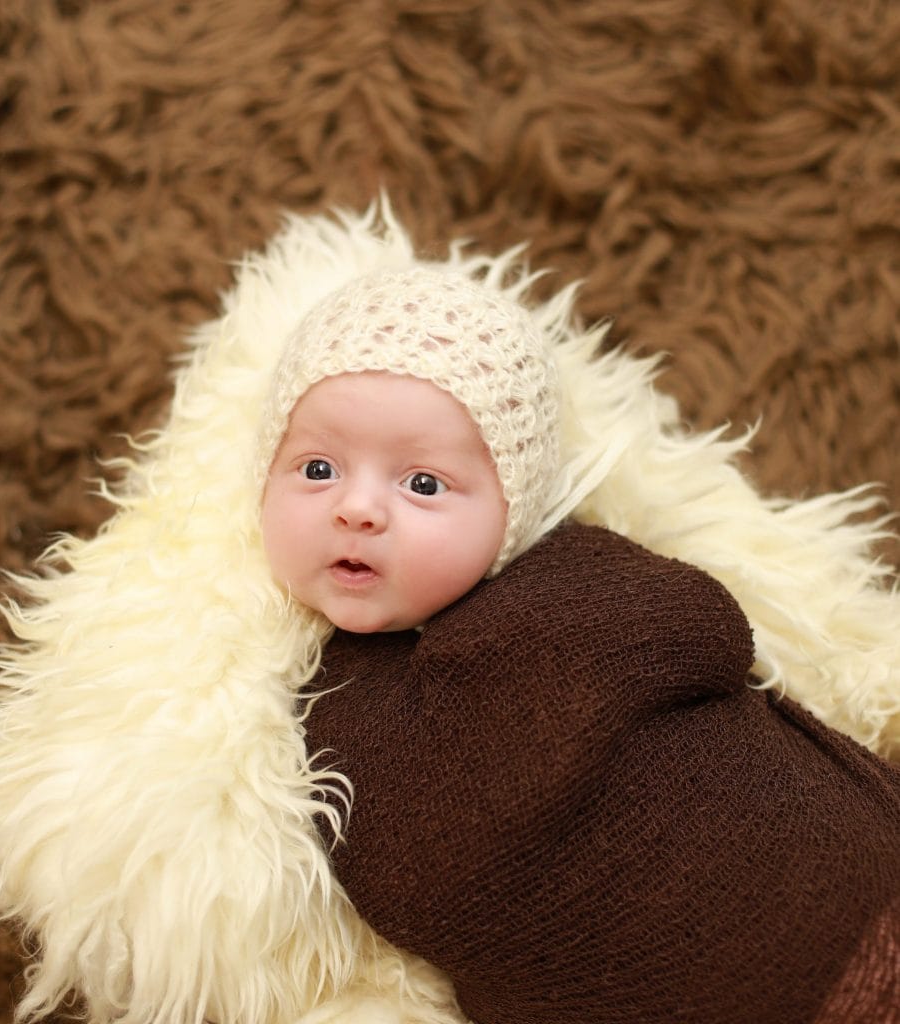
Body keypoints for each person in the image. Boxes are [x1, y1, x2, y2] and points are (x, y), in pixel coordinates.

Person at [258, 267, 900, 1023]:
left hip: (845, 892)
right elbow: (407, 884)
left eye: (423, 485)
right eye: (317, 469)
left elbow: (709, 629)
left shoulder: (576, 582)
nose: (357, 508)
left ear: (512, 512)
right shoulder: (305, 703)